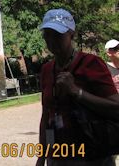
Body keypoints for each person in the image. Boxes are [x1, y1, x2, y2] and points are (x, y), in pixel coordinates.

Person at [36, 9, 119, 166]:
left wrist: (76, 92)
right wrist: (41, 157)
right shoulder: (47, 69)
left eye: (58, 35)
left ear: (71, 35)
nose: (52, 40)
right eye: (47, 34)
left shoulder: (91, 64)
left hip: (92, 156)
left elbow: (116, 107)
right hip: (57, 156)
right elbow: (46, 115)